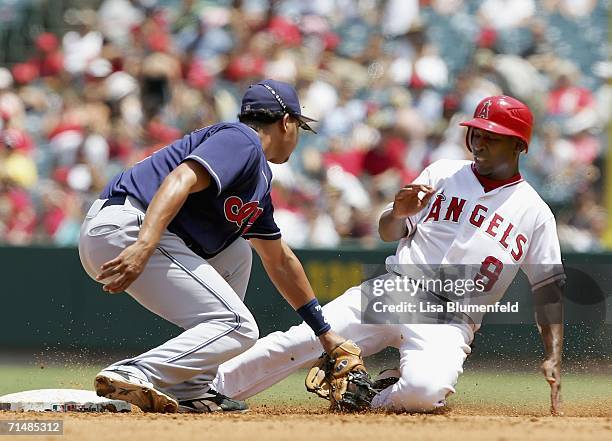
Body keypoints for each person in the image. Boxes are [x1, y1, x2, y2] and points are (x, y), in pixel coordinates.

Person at [213, 96, 566, 415]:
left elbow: (547, 288)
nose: (480, 141)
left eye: (492, 135)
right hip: (396, 289)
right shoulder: (443, 173)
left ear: (519, 144)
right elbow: (387, 231)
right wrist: (397, 213)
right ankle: (208, 388)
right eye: (476, 132)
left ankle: (370, 396)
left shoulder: (534, 212)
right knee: (299, 340)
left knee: (424, 393)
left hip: (452, 319)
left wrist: (552, 354)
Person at [78, 79, 354, 413]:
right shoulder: (242, 140)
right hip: (129, 226)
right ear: (286, 122)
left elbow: (279, 259)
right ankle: (135, 371)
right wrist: (144, 244)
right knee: (239, 327)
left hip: (133, 230)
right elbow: (179, 178)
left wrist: (324, 334)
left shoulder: (256, 178)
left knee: (238, 252)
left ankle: (191, 387)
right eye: (299, 126)